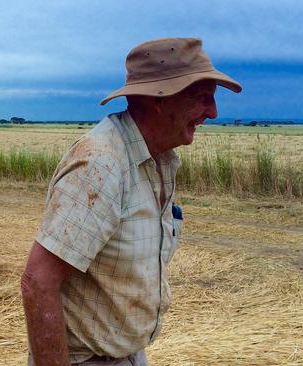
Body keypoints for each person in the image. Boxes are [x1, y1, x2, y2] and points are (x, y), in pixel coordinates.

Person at [21, 38, 242, 366]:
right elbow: (37, 282)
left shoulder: (159, 160)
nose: (213, 112)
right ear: (159, 100)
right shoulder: (102, 163)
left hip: (128, 355)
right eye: (202, 98)